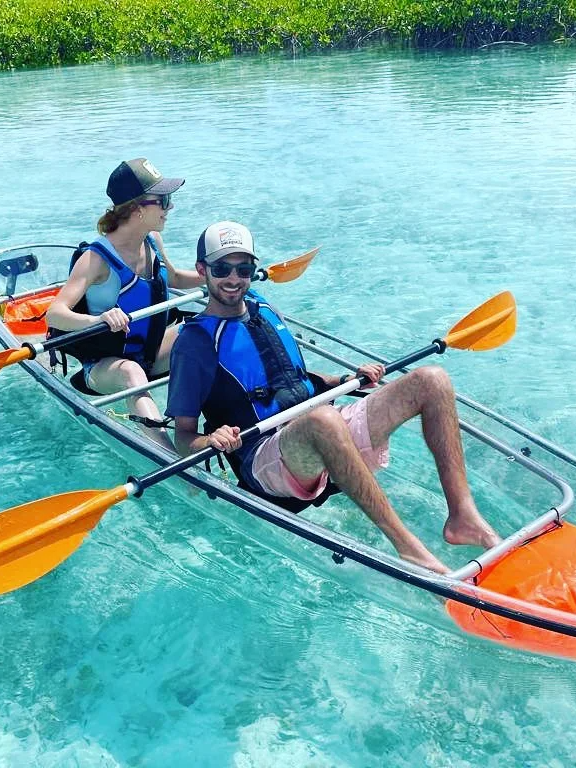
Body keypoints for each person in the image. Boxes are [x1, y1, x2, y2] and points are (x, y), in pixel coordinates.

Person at [165, 221, 500, 573]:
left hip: (318, 431)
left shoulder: (263, 309)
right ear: (202, 269)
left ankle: (463, 516)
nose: (234, 278)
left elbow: (292, 379)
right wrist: (211, 440)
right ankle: (409, 549)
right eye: (222, 269)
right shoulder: (195, 343)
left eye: (244, 268)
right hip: (264, 459)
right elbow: (183, 436)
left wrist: (345, 380)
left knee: (432, 380)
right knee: (323, 420)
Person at [46, 158, 203, 450]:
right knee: (132, 372)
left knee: (205, 330)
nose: (170, 207)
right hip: (105, 367)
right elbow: (55, 314)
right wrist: (99, 320)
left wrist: (218, 276)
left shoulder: (152, 240)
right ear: (137, 208)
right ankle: (171, 458)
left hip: (150, 353)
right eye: (163, 200)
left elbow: (173, 278)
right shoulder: (96, 259)